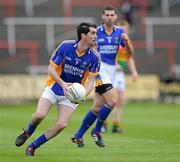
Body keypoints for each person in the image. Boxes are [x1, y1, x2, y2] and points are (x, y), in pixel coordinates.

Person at [15, 22, 101, 156]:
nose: (96, 36)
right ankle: (27, 132)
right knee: (39, 115)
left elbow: (91, 81)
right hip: (54, 87)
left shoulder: (95, 57)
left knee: (62, 125)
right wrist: (63, 84)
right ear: (83, 35)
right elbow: (50, 69)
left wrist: (84, 94)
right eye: (93, 33)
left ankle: (32, 146)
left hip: (72, 95)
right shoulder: (65, 46)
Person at [71, 6, 134, 148]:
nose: (110, 17)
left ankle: (78, 135)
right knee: (113, 101)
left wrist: (127, 41)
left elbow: (129, 53)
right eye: (107, 15)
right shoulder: (96, 32)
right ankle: (97, 130)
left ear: (116, 16)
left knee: (97, 107)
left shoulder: (120, 32)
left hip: (111, 70)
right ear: (103, 17)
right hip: (100, 69)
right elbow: (85, 46)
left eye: (112, 15)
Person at [101, 20, 138, 133]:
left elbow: (129, 58)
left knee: (120, 101)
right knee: (112, 100)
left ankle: (116, 125)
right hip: (111, 72)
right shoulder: (113, 40)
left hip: (120, 75)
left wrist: (134, 71)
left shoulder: (127, 42)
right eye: (123, 29)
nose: (125, 31)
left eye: (126, 29)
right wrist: (114, 64)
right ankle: (103, 124)